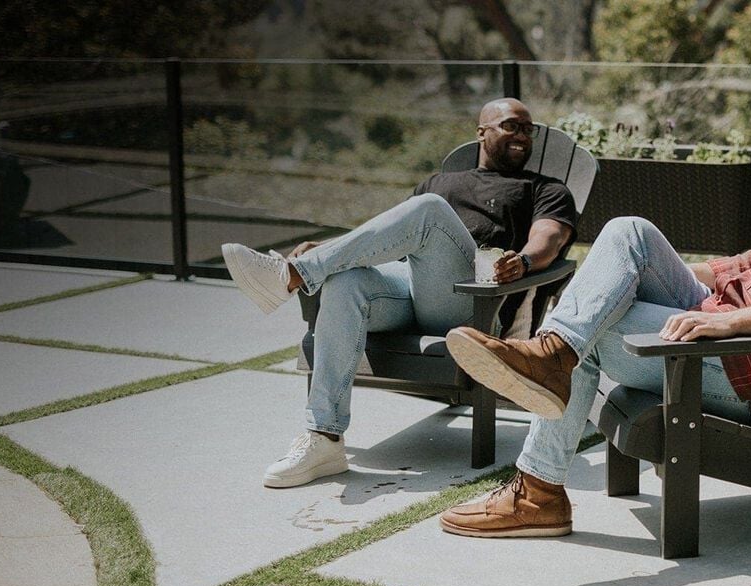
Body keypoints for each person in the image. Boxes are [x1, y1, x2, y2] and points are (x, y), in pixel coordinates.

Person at [439, 95, 751, 538]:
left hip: (748, 367)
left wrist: (729, 324)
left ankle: (539, 488)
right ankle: (551, 355)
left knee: (591, 329)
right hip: (717, 323)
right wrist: (638, 268)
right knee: (629, 233)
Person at [222, 98, 578, 488]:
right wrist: (329, 247)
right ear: (482, 131)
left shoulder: (545, 188)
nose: (523, 136)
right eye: (512, 126)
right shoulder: (440, 182)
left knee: (428, 210)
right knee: (346, 281)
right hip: (408, 287)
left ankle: (290, 276)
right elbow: (387, 237)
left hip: (470, 300)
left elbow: (551, 235)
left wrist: (524, 262)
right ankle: (325, 438)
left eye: (529, 130)